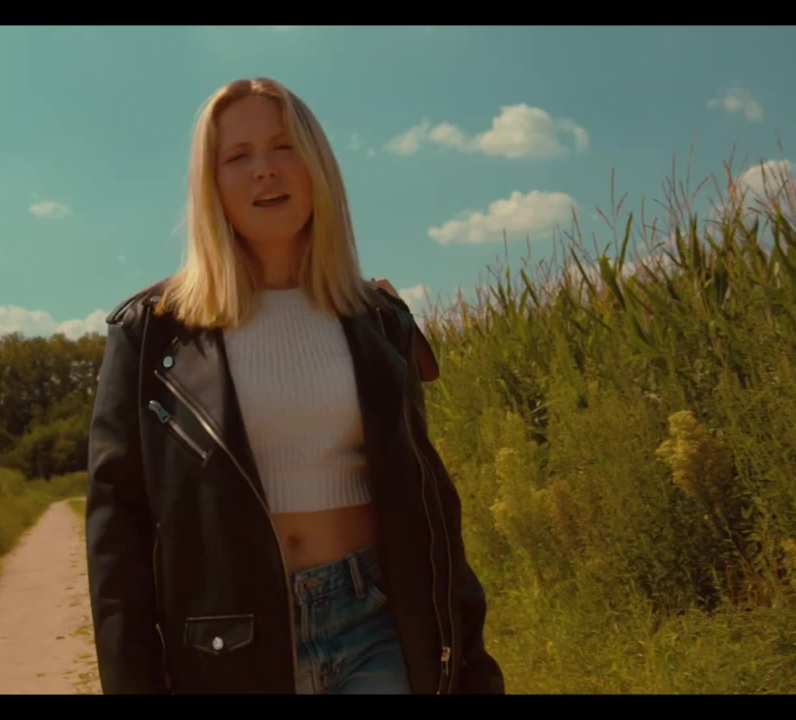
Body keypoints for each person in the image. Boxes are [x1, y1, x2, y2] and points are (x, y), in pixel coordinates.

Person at [84, 77, 504, 695]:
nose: (265, 170)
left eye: (283, 147)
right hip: (228, 648)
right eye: (238, 155)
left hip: (375, 627)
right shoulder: (151, 331)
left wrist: (470, 661)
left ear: (317, 166)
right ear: (210, 184)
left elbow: (430, 505)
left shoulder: (380, 320)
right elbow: (117, 528)